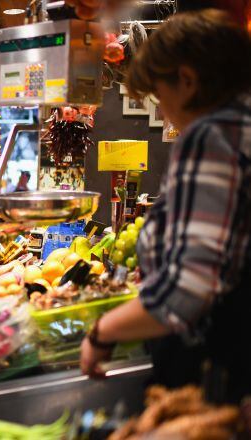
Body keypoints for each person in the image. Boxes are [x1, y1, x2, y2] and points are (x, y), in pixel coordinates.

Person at [80, 10, 251, 403]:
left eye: (160, 94)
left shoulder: (211, 138)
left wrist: (103, 331)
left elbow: (189, 288)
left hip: (214, 367)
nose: (162, 110)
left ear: (187, 81)